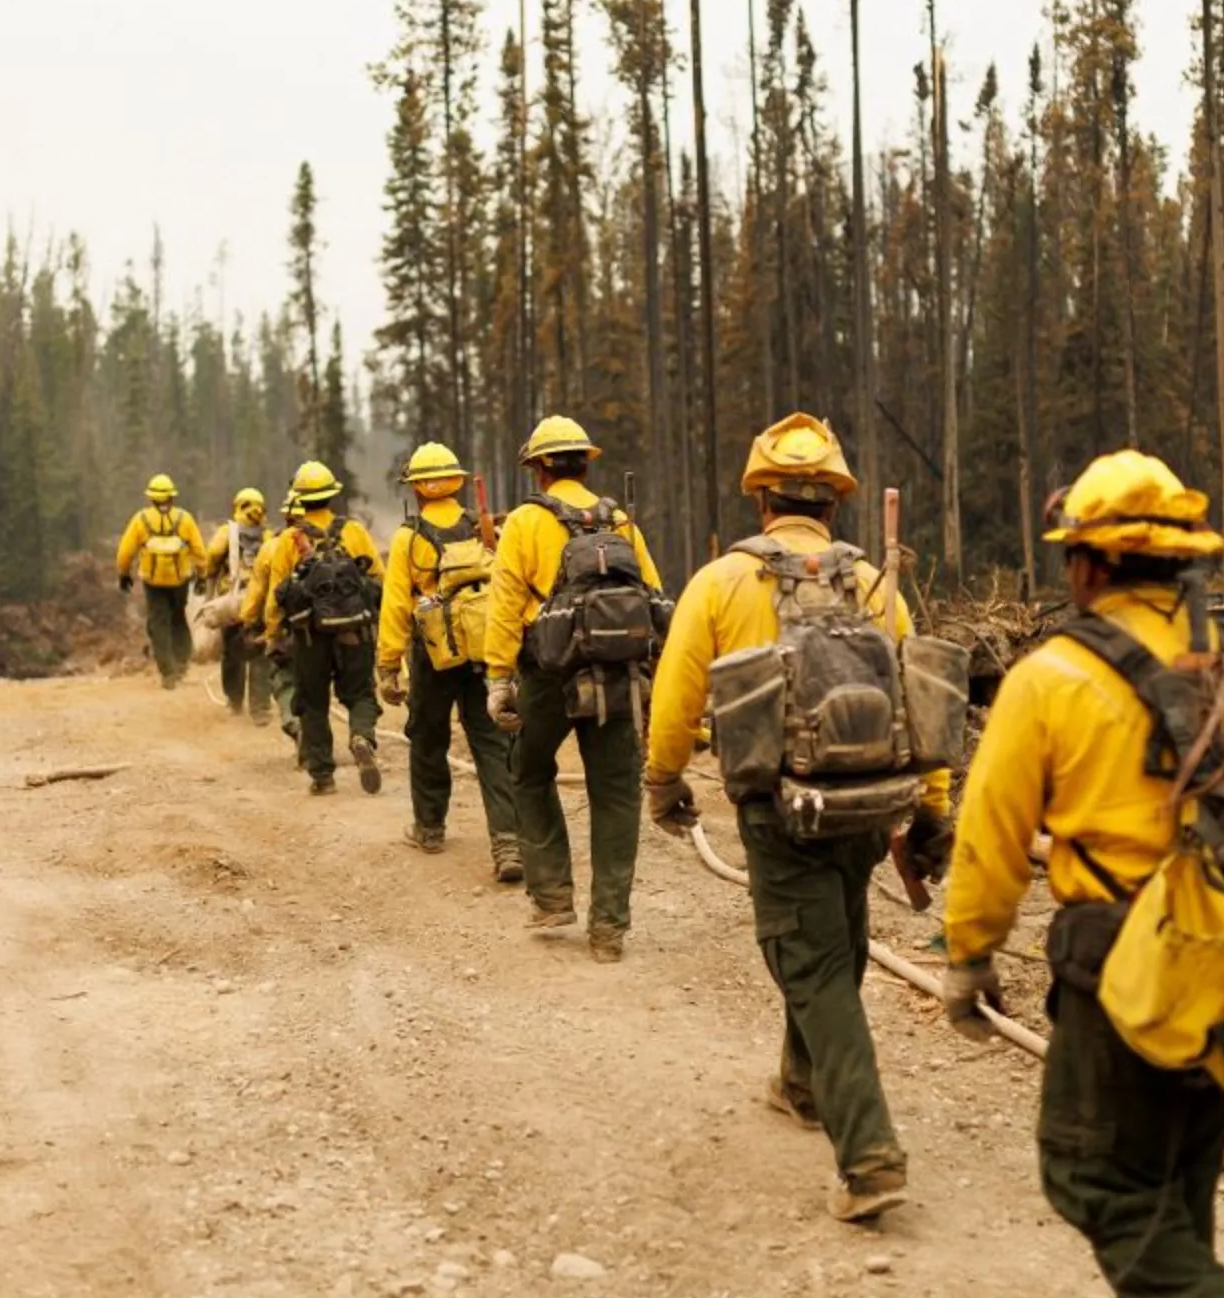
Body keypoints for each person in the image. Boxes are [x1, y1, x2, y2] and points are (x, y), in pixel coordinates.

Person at [940, 450, 1224, 1298]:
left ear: (1087, 566)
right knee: (1176, 1195)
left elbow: (992, 839)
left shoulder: (1049, 678)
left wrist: (970, 955)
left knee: (1096, 1179)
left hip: (1120, 974)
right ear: (1186, 560)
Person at [640, 412, 952, 1224]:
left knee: (810, 962)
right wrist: (933, 811)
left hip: (779, 809)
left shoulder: (718, 582)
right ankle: (803, 1084)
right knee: (836, 942)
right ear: (837, 505)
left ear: (761, 502)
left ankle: (871, 1156)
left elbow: (676, 696)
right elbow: (924, 700)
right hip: (869, 805)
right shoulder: (875, 586)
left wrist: (663, 779)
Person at [483, 415, 663, 963]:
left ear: (538, 468)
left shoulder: (524, 522)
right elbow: (653, 594)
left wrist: (497, 678)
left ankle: (553, 895)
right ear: (586, 461)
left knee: (529, 772)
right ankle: (608, 927)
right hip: (616, 673)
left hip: (549, 670)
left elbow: (506, 602)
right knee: (616, 792)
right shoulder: (619, 519)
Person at [376, 443, 522, 878]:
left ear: (417, 489)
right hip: (484, 648)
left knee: (427, 737)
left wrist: (387, 665)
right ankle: (508, 843)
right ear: (458, 483)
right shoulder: (484, 528)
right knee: (492, 742)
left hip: (433, 654)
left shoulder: (408, 537)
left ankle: (430, 827)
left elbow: (395, 607)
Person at [259, 461, 386, 796]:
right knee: (359, 693)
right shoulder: (354, 531)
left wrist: (272, 634)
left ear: (298, 498)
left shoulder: (289, 539)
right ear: (332, 496)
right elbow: (379, 577)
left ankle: (323, 776)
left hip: (308, 636)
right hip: (354, 632)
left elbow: (277, 594)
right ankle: (361, 737)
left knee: (312, 702)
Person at [115, 474, 205, 689]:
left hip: (153, 583)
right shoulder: (184, 519)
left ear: (151, 498)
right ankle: (182, 662)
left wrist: (124, 574)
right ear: (171, 497)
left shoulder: (141, 520)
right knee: (178, 618)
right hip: (180, 580)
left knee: (158, 624)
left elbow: (125, 552)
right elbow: (200, 551)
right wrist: (202, 576)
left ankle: (168, 673)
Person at [239, 490, 309, 748]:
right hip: (319, 627)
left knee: (283, 677)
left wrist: (249, 622)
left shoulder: (270, 547)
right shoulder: (324, 544)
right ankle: (317, 738)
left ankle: (293, 723)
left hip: (283, 625)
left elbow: (257, 591)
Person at [205, 487, 275, 726]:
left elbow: (212, 557)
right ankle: (260, 708)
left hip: (230, 604)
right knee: (260, 653)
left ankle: (234, 701)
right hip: (260, 602)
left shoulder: (227, 532)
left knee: (232, 653)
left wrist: (208, 594)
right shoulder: (268, 536)